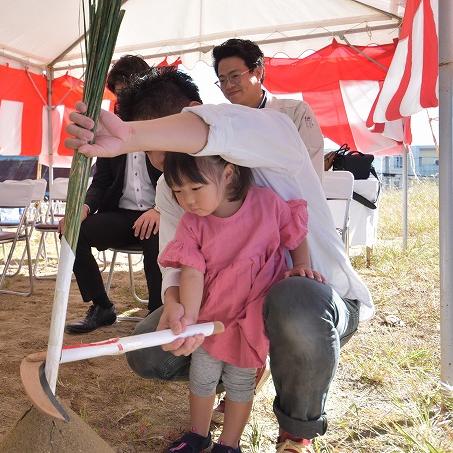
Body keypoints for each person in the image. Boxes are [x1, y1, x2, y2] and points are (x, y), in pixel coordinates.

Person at [65, 68, 372, 453]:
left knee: (294, 302)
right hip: (226, 310)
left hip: (316, 306)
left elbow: (222, 128)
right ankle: (237, 369)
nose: (156, 159)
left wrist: (132, 134)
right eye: (147, 149)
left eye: (157, 139)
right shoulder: (171, 187)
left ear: (196, 112)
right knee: (148, 349)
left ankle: (296, 431)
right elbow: (178, 263)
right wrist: (176, 306)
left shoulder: (271, 136)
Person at [158, 152, 323, 453]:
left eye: (195, 188)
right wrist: (191, 320)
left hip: (252, 317)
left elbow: (295, 234)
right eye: (178, 191)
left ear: (229, 174)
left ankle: (229, 443)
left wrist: (301, 265)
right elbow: (192, 275)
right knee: (202, 375)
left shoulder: (267, 204)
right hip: (211, 317)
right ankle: (198, 434)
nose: (188, 200)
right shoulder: (191, 223)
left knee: (240, 381)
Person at [61, 56, 162, 334]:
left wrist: (160, 209)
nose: (123, 98)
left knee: (156, 238)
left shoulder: (163, 124)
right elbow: (102, 180)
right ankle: (102, 306)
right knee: (73, 232)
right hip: (121, 216)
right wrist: (85, 206)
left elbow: (178, 175)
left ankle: (157, 315)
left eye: (129, 91)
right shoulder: (108, 128)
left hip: (159, 214)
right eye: (119, 93)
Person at [212, 39, 325, 181]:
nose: (228, 86)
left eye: (235, 76)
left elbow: (311, 174)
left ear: (258, 73)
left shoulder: (296, 112)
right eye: (222, 80)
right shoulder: (224, 122)